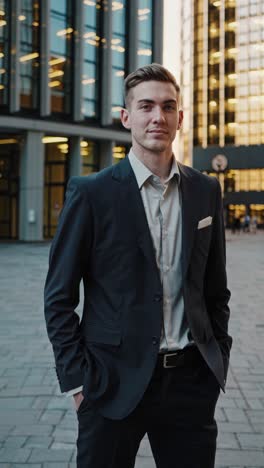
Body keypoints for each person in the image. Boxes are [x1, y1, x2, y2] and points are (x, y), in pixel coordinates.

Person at [44, 63, 232, 468]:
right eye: (146, 106)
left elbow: (216, 289)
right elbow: (58, 298)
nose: (157, 117)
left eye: (168, 107)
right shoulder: (91, 194)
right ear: (126, 117)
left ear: (180, 118)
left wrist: (217, 360)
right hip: (110, 384)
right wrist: (78, 383)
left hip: (189, 384)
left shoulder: (205, 191)